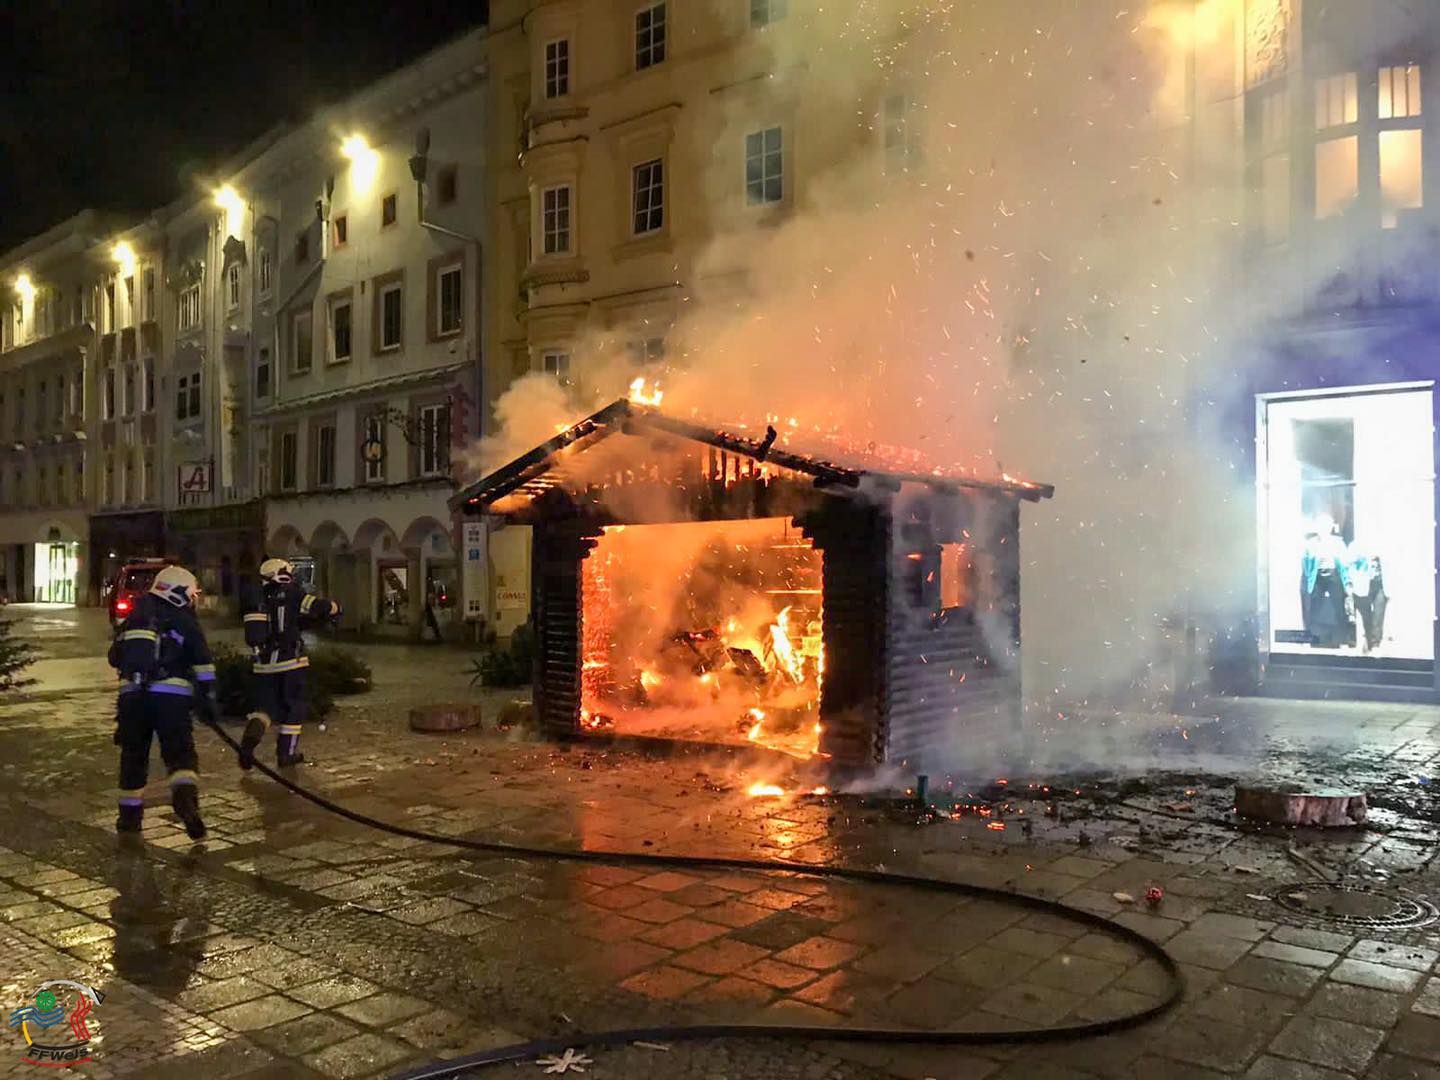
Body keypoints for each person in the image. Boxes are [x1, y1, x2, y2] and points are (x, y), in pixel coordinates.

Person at [107, 565, 214, 839]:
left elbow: (115, 657)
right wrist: (207, 700)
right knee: (180, 755)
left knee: (133, 759)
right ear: (180, 593)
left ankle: (129, 820)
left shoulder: (136, 615)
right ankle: (186, 803)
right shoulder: (184, 619)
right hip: (172, 700)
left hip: (132, 699)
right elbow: (203, 663)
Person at [238, 558, 341, 769]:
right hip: (290, 662)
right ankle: (286, 754)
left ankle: (248, 744)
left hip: (263, 663)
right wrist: (334, 607)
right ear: (282, 573)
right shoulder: (292, 592)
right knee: (295, 707)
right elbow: (314, 606)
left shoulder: (260, 597)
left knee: (264, 709)